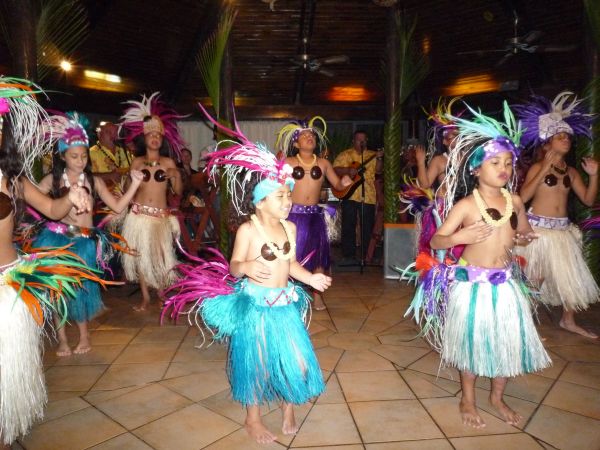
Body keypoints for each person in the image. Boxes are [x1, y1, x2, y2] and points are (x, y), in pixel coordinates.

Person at [162, 109, 329, 444]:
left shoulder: (290, 227)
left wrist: (309, 278)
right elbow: (235, 266)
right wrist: (248, 267)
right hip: (257, 306)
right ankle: (252, 419)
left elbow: (290, 264)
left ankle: (289, 406)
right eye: (280, 196)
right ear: (260, 202)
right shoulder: (249, 230)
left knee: (295, 362)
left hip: (285, 305)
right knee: (258, 364)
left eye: (289, 194)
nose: (288, 201)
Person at [405, 102, 550, 429]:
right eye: (495, 162)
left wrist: (524, 237)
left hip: (506, 283)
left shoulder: (514, 201)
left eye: (508, 163)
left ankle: (497, 397)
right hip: (473, 285)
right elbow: (436, 242)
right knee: (471, 343)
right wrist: (462, 235)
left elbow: (522, 231)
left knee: (506, 341)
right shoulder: (467, 205)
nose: (504, 168)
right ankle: (468, 398)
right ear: (475, 169)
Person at [0, 76, 100, 448]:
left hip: (9, 285)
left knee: (6, 375)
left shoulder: (13, 179)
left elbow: (53, 210)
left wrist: (71, 197)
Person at [34, 112, 144, 356]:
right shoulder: (53, 180)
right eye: (74, 156)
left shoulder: (94, 182)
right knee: (57, 292)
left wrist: (135, 184)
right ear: (62, 156)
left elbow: (117, 207)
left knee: (81, 291)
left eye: (84, 155)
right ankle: (62, 340)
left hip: (83, 242)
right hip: (56, 240)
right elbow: (33, 197)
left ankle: (84, 336)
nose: (80, 160)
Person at [515, 92, 599, 338]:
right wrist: (543, 169)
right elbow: (523, 197)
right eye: (560, 137)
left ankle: (567, 320)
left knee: (571, 277)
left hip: (562, 231)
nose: (566, 140)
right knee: (535, 278)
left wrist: (594, 175)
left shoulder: (571, 172)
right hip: (538, 230)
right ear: (546, 144)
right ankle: (525, 322)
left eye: (567, 137)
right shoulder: (537, 167)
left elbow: (588, 200)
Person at [277, 117, 351, 309]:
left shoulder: (324, 163)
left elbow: (337, 186)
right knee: (291, 255)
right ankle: (288, 293)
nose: (310, 137)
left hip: (315, 216)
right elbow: (278, 187)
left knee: (318, 256)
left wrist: (344, 182)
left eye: (312, 135)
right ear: (296, 143)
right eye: (304, 135)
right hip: (292, 216)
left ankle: (317, 296)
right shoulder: (288, 162)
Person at [119, 92, 185, 311]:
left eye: (158, 135)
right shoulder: (137, 162)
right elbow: (129, 191)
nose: (155, 138)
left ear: (163, 139)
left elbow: (177, 191)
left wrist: (175, 175)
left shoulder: (168, 162)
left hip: (159, 217)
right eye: (151, 134)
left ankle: (161, 294)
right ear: (144, 138)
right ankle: (145, 297)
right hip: (138, 216)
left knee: (161, 257)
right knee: (140, 258)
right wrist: (130, 179)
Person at [333, 130, 383, 264]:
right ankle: (348, 255)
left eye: (364, 140)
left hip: (368, 195)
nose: (361, 142)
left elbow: (378, 171)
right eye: (358, 139)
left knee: (367, 226)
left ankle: (367, 255)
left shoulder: (372, 155)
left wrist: (379, 158)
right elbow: (335, 169)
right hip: (349, 194)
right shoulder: (345, 155)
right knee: (348, 225)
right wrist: (347, 170)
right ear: (353, 141)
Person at [89, 122, 132, 188]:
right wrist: (109, 176)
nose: (112, 136)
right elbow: (84, 177)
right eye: (108, 132)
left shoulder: (126, 151)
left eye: (115, 132)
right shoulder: (90, 153)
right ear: (99, 134)